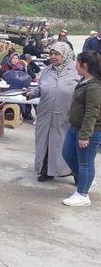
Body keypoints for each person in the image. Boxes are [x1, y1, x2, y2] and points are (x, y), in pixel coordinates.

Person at [26, 42, 78, 182]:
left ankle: (72, 172)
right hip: (45, 114)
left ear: (65, 55)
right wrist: (33, 92)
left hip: (65, 116)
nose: (53, 57)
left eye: (57, 54)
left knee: (63, 145)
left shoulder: (75, 72)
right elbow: (41, 89)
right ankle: (46, 171)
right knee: (45, 143)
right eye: (51, 54)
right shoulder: (47, 70)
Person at [61, 51, 101, 207]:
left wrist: (85, 135)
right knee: (67, 154)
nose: (75, 66)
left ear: (85, 65)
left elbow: (92, 111)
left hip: (89, 131)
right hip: (75, 127)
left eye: (77, 63)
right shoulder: (85, 81)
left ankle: (82, 194)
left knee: (85, 162)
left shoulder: (94, 87)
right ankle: (87, 181)